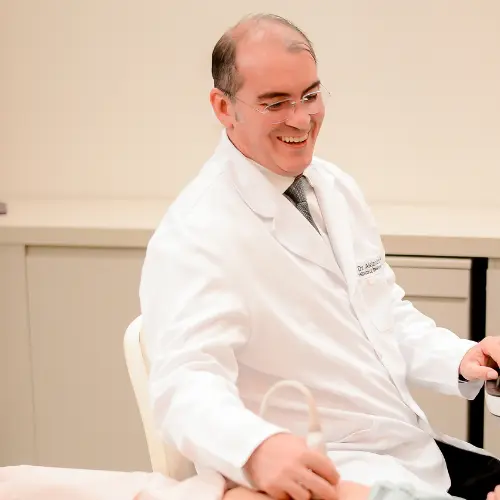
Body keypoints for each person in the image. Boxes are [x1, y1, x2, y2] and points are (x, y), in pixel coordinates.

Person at [139, 13, 500, 500]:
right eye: (275, 103)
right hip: (330, 467)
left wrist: (461, 358)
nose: (301, 118)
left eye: (309, 95)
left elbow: (382, 312)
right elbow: (184, 383)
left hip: (407, 449)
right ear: (224, 107)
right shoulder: (197, 231)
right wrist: (255, 449)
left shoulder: (332, 187)